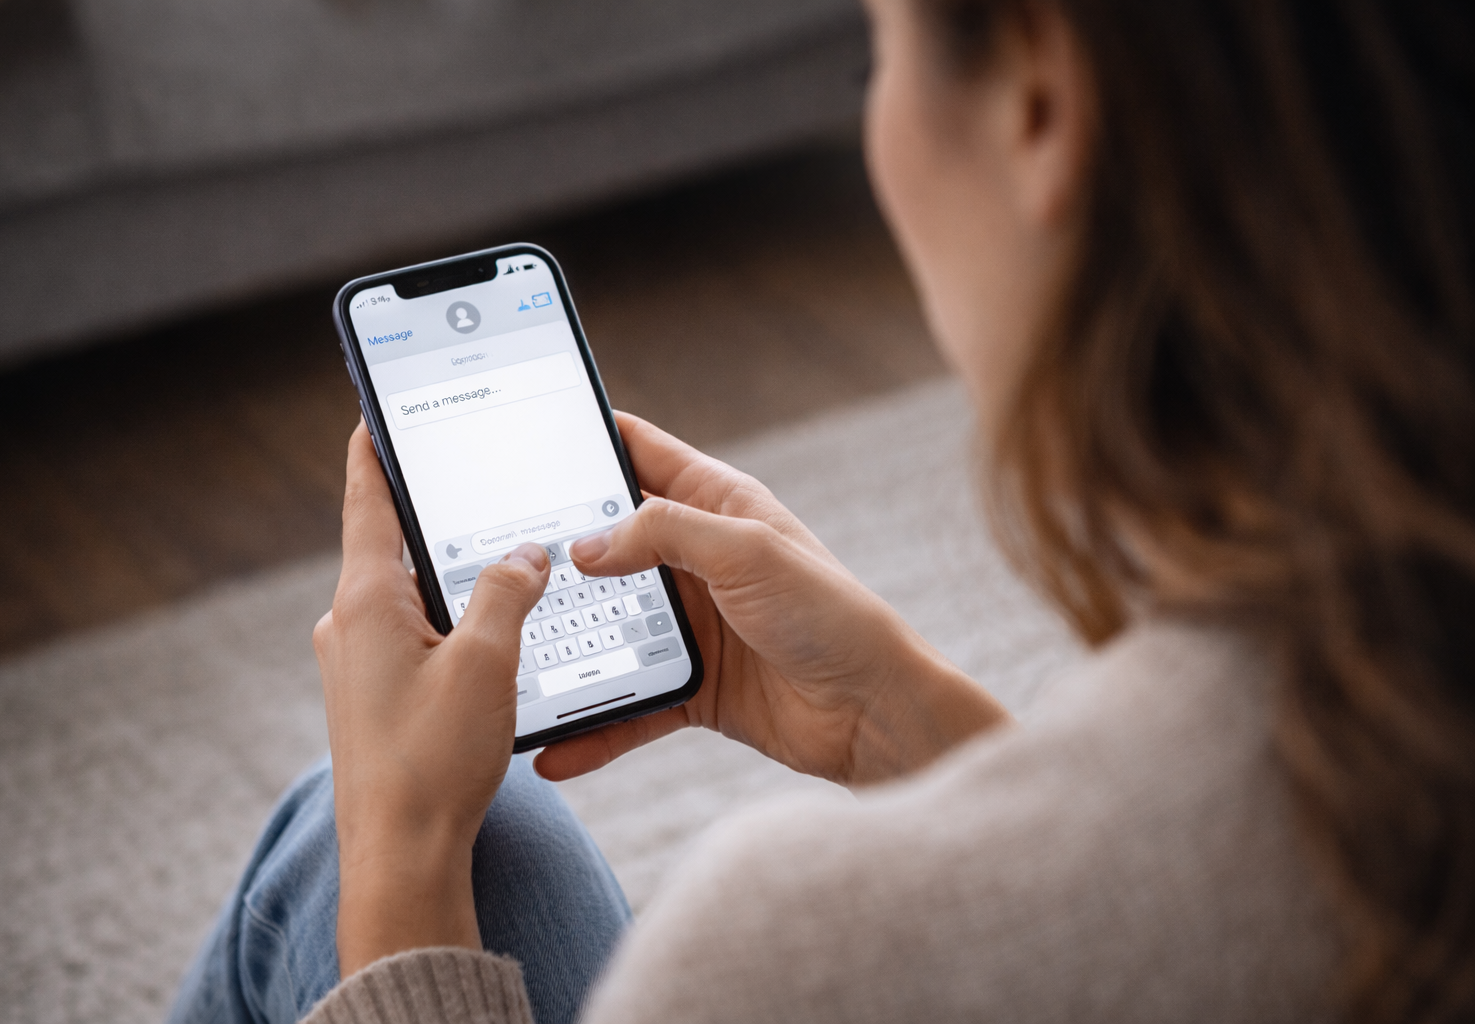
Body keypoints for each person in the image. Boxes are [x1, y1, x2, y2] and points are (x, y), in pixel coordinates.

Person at [169, 0, 1475, 1022]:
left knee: (366, 848)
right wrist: (903, 720)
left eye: (878, 55)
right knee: (487, 833)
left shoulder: (806, 957)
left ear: (1039, 99)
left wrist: (398, 875)